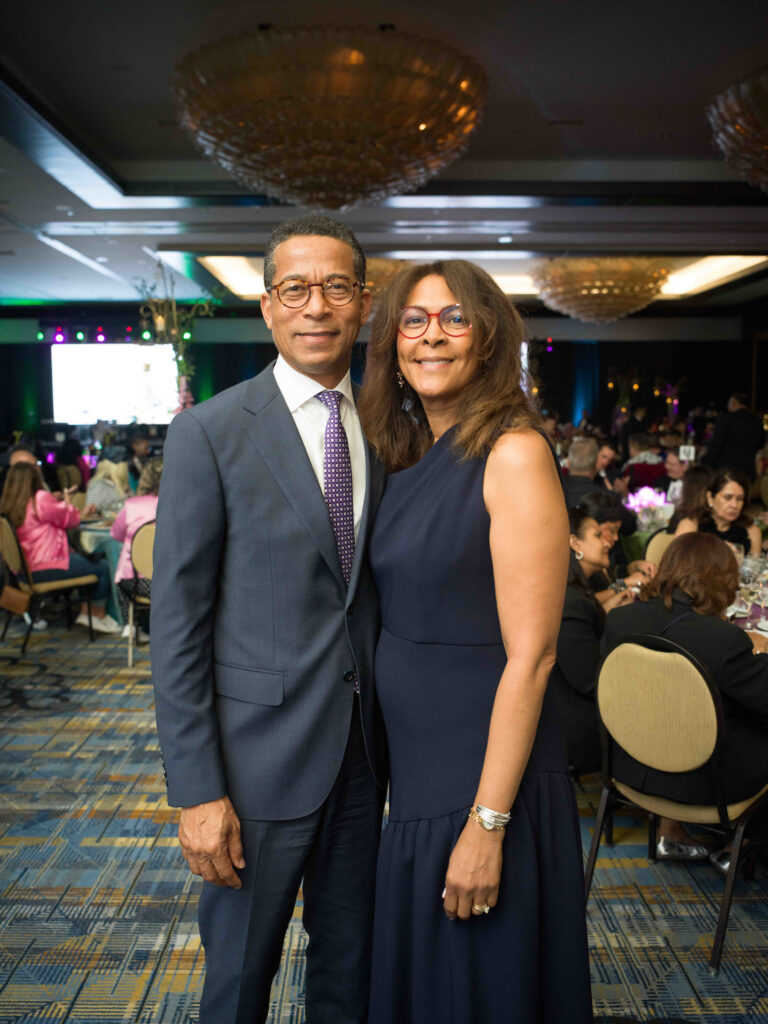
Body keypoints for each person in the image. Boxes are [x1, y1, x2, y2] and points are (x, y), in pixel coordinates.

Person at [151, 215, 387, 1024]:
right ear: (266, 306)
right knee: (239, 982)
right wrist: (197, 791)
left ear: (363, 303)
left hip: (363, 758)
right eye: (295, 288)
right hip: (253, 772)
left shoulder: (389, 429)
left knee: (349, 973)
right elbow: (177, 627)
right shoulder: (208, 434)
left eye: (335, 288)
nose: (315, 306)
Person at [359, 260, 592, 1023]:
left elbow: (535, 656)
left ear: (488, 339)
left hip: (487, 780)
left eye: (454, 318)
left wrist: (487, 823)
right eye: (414, 319)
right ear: (393, 342)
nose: (433, 336)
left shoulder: (513, 452)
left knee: (479, 987)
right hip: (422, 778)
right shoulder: (407, 454)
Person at [604, 533, 768, 871]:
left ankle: (670, 829)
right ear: (722, 579)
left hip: (629, 770)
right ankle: (743, 843)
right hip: (706, 787)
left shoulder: (619, 621)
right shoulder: (723, 640)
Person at [550, 507, 633, 775]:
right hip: (580, 729)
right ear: (575, 543)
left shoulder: (574, 588)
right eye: (598, 535)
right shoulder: (569, 600)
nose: (608, 541)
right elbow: (589, 680)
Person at [0, 462, 119, 633]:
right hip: (48, 564)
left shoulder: (10, 503)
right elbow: (70, 520)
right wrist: (68, 501)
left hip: (25, 570)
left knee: (91, 558)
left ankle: (87, 612)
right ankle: (96, 614)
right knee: (103, 567)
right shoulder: (40, 498)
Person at [110, 457, 163, 640]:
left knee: (121, 577)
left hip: (136, 583)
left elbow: (116, 535)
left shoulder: (131, 505)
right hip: (171, 580)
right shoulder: (182, 504)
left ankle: (130, 624)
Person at [674, 466, 761, 556]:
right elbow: (676, 565)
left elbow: (755, 567)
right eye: (727, 497)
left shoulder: (752, 531)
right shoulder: (690, 526)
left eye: (739, 499)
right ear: (710, 498)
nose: (734, 505)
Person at [704, 393, 765, 482]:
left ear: (734, 402)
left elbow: (715, 445)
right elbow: (761, 444)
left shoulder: (726, 419)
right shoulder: (757, 421)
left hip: (726, 470)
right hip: (748, 471)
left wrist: (707, 465)